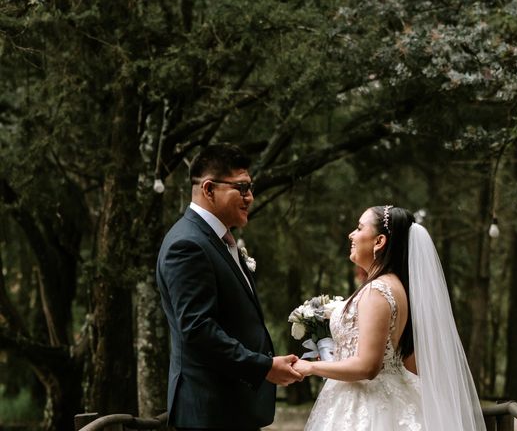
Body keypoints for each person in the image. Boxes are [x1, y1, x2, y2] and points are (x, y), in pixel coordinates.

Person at [293, 205, 486, 431]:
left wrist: (311, 368)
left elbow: (368, 367)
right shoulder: (395, 286)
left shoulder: (377, 291)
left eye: (359, 228)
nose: (351, 235)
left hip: (367, 404)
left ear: (379, 241)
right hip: (387, 394)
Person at [156, 143, 302, 431]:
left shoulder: (218, 240)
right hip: (209, 411)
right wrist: (264, 367)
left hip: (231, 408)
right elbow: (198, 331)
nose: (250, 197)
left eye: (250, 188)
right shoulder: (188, 245)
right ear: (209, 189)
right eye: (242, 188)